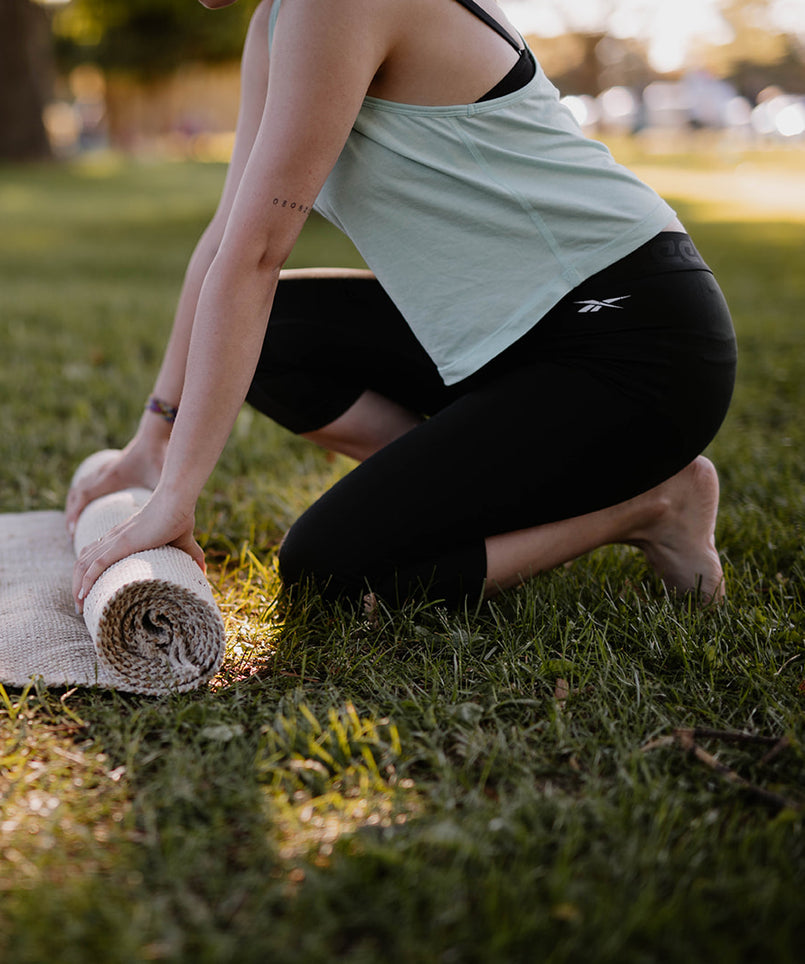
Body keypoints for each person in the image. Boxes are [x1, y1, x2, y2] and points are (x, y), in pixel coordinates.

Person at [66, 0, 736, 613]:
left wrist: (174, 500)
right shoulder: (273, 19)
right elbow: (225, 241)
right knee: (275, 337)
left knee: (330, 569)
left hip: (629, 343)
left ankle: (649, 502)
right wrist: (153, 440)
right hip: (502, 344)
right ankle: (466, 498)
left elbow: (256, 254)